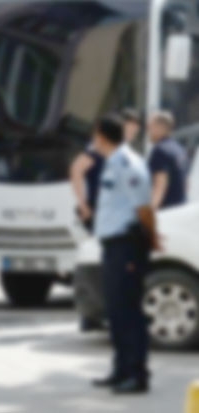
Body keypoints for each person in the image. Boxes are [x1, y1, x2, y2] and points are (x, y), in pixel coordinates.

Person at [91, 114, 159, 395]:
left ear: (102, 137)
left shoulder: (128, 163)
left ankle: (137, 374)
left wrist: (153, 237)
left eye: (94, 134)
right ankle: (121, 370)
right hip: (113, 244)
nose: (93, 140)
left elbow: (143, 207)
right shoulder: (112, 161)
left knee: (128, 310)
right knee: (116, 311)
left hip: (127, 244)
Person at [147, 111, 188, 210]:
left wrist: (147, 214)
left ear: (159, 127)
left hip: (166, 211)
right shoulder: (180, 150)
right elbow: (186, 184)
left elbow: (160, 186)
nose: (148, 131)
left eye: (150, 127)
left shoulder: (160, 150)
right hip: (181, 209)